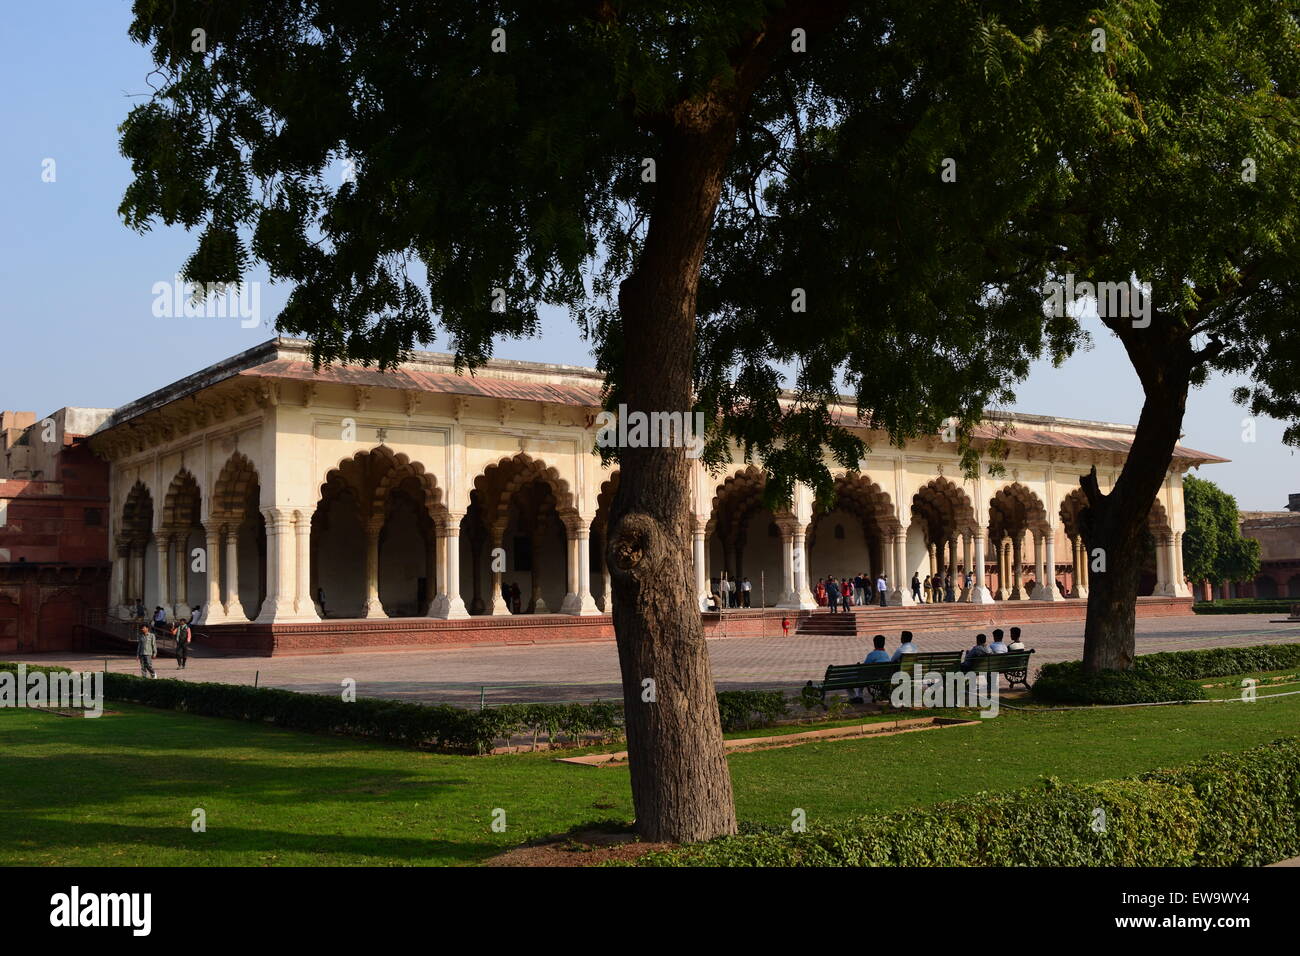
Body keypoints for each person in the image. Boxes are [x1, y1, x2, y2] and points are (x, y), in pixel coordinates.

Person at [850, 634, 893, 703]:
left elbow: (865, 667)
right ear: (884, 644)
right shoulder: (886, 655)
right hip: (883, 677)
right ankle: (858, 696)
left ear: (874, 644)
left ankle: (857, 696)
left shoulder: (872, 654)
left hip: (872, 678)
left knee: (860, 677)